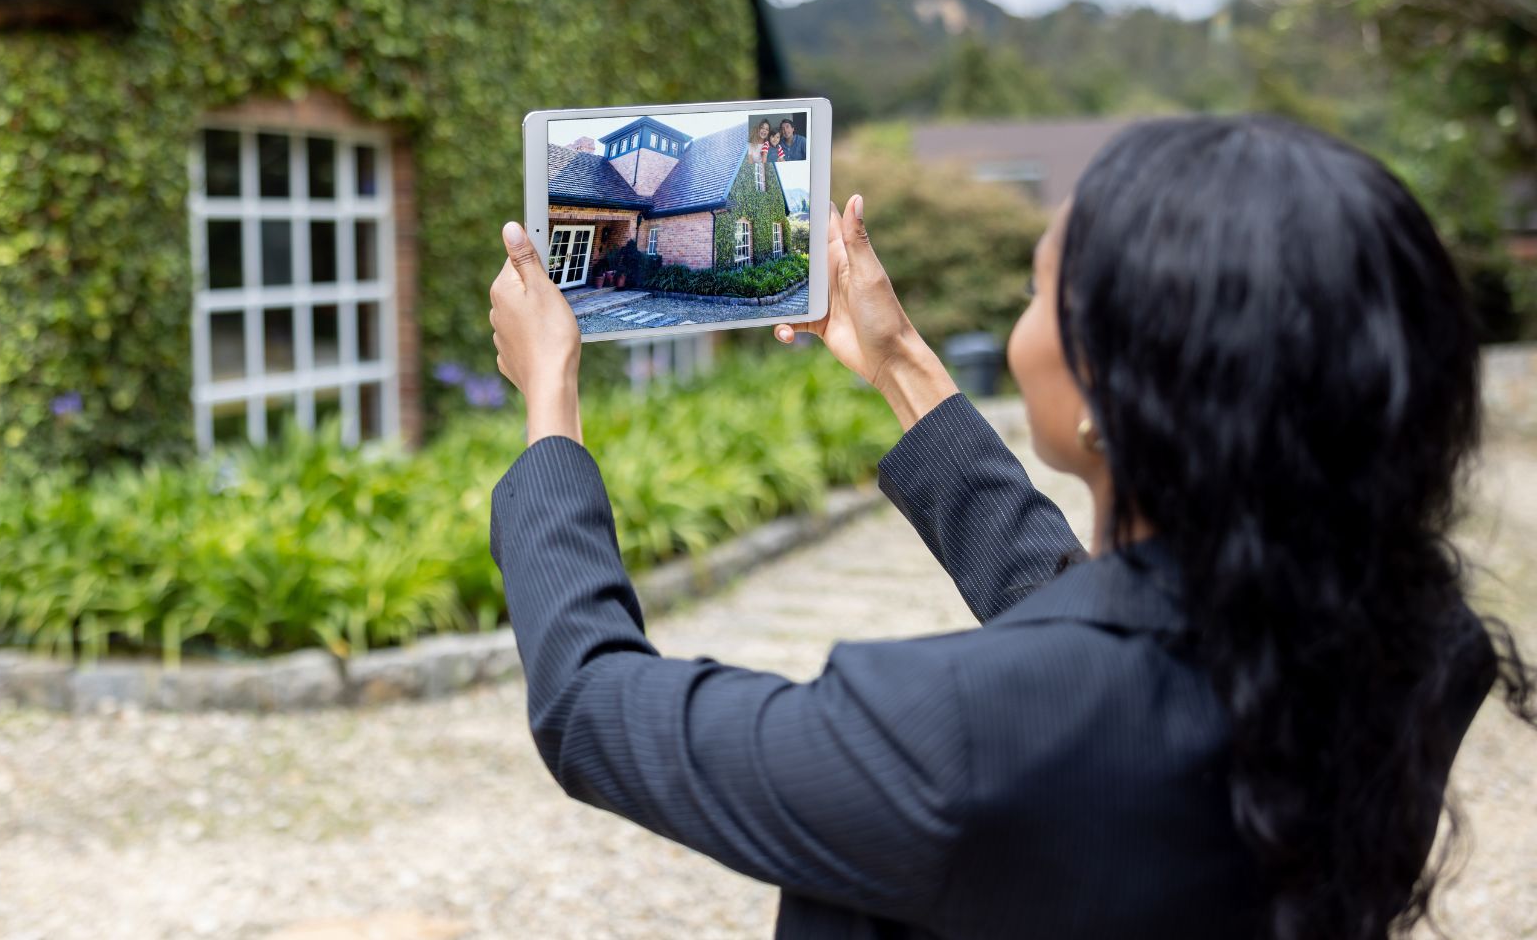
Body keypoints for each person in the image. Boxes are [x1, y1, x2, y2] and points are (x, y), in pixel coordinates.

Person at [485, 115, 1534, 940]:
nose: (1020, 327)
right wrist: (900, 365)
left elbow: (592, 705)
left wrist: (550, 403)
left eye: (1036, 292)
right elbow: (1102, 646)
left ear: (1110, 391)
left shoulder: (953, 735)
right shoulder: (1415, 642)